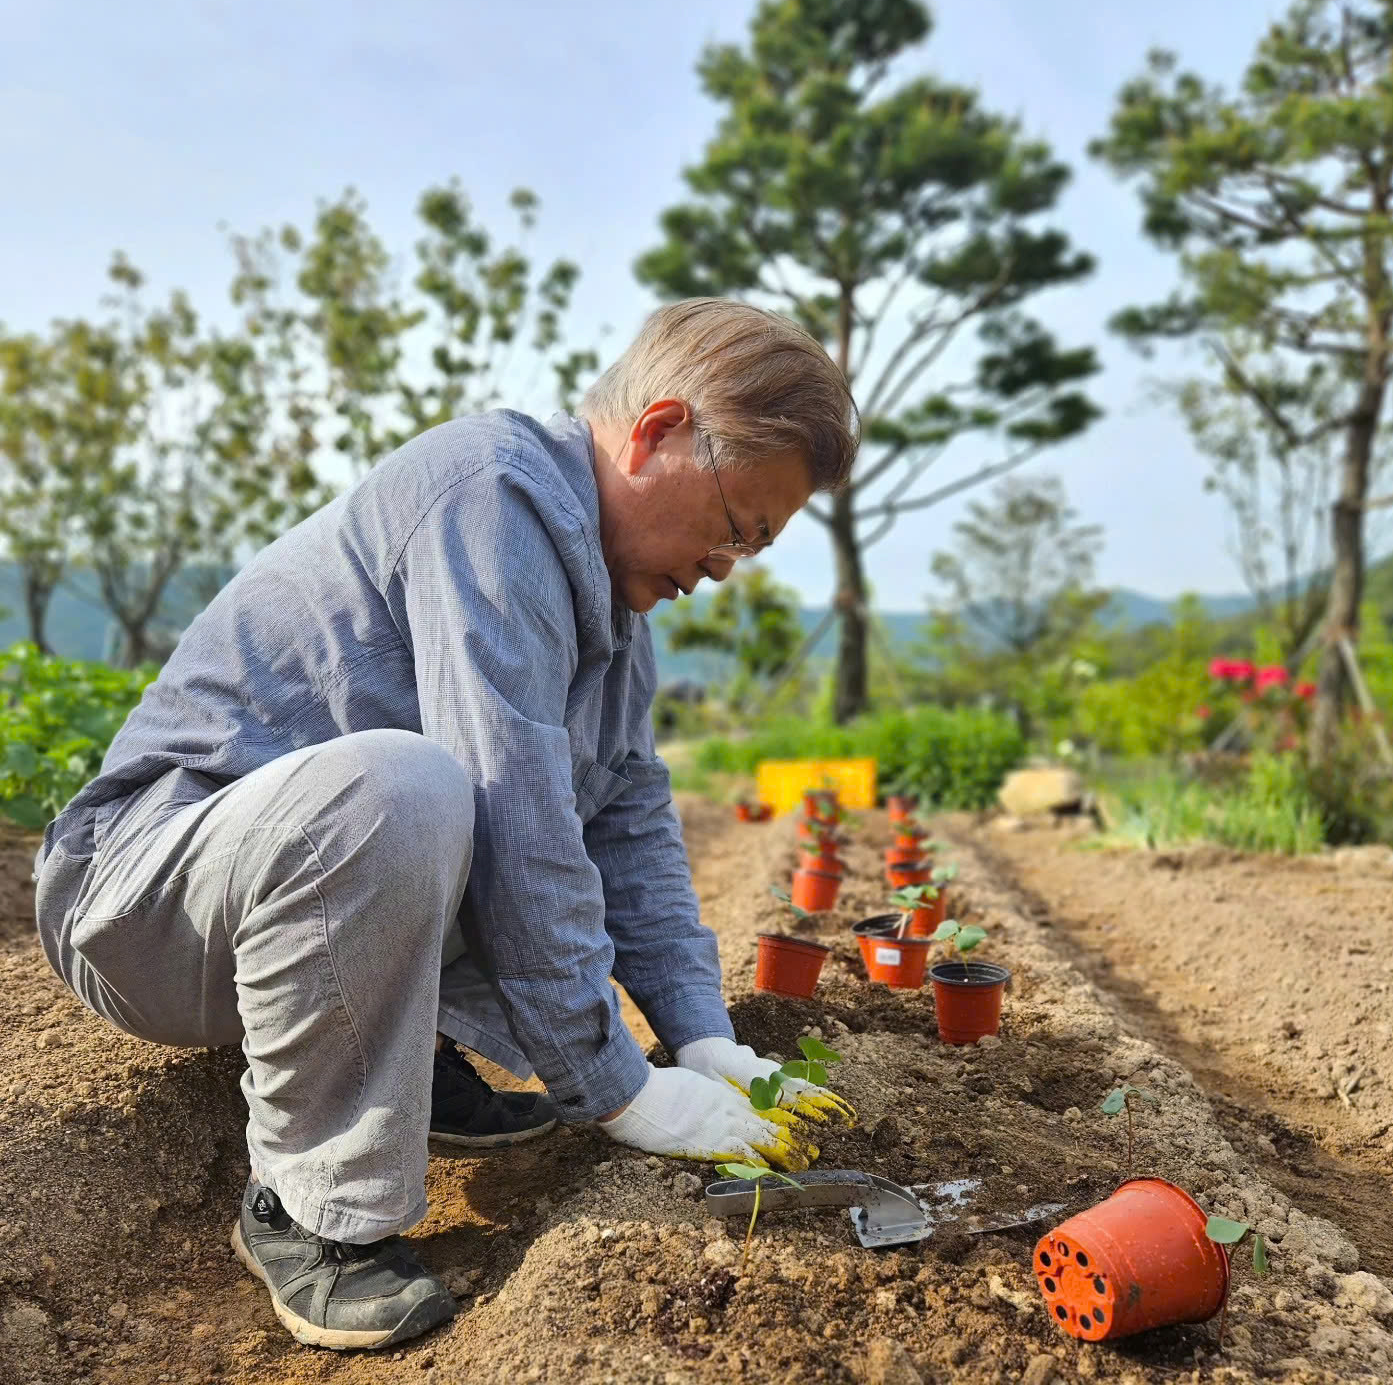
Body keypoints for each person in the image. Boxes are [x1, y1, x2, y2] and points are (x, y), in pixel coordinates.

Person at [31, 299, 859, 1352]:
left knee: (479, 801)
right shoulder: (490, 495)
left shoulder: (618, 626)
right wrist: (614, 1089)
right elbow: (511, 802)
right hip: (142, 902)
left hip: (264, 906)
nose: (724, 565)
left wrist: (699, 1034)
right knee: (412, 785)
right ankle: (310, 1206)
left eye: (754, 548)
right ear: (655, 433)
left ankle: (407, 1065)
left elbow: (632, 829)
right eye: (738, 525)